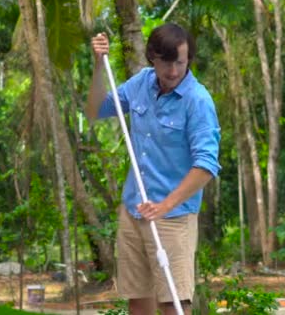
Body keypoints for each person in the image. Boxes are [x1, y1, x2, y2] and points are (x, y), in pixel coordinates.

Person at [85, 23, 221, 315]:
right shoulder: (141, 84)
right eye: (166, 63)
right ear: (152, 58)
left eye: (180, 63)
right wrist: (99, 65)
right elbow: (96, 110)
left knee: (174, 301)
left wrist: (164, 205)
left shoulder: (197, 101)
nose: (173, 71)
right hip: (134, 210)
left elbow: (206, 165)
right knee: (138, 300)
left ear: (188, 61)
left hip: (173, 217)